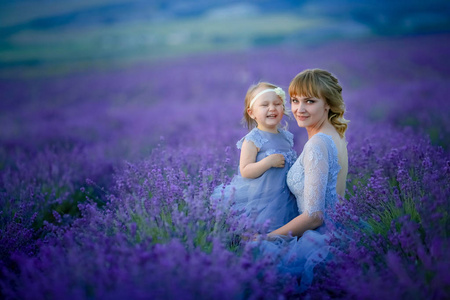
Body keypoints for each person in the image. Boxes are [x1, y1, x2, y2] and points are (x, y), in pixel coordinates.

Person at [258, 69, 349, 291]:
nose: (299, 109)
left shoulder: (318, 143)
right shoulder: (335, 136)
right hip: (335, 232)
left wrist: (266, 237)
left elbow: (314, 216)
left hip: (318, 240)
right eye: (295, 100)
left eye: (309, 101)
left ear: (327, 104)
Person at [211, 82, 298, 232]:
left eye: (277, 103)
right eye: (265, 105)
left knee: (283, 229)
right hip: (261, 198)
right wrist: (268, 162)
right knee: (260, 228)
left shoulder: (286, 137)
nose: (272, 108)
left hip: (285, 198)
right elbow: (245, 170)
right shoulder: (253, 139)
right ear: (252, 113)